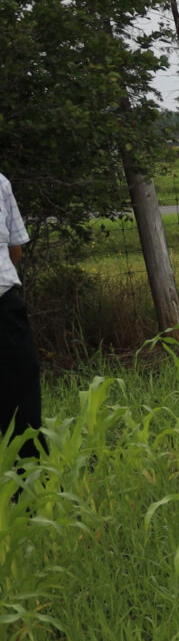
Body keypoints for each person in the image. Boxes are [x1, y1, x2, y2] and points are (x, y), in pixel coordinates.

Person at [0, 168, 35, 463]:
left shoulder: (0, 184)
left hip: (3, 306)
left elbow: (15, 248)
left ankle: (27, 476)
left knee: (20, 388)